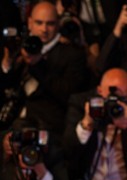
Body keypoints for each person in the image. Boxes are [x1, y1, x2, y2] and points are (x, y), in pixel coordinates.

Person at [0, 1, 88, 135]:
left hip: (47, 129)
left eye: (50, 23)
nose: (44, 29)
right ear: (30, 23)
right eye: (39, 23)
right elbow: (8, 86)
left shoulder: (72, 54)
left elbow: (67, 94)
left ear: (58, 24)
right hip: (11, 122)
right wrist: (7, 63)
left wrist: (37, 65)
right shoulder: (20, 47)